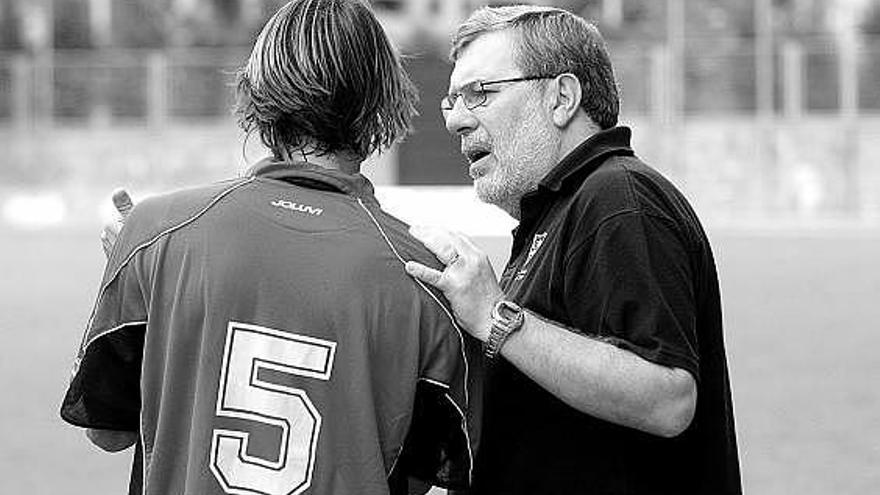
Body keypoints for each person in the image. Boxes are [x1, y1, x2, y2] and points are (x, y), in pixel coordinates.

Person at [59, 1, 480, 494]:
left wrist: (143, 266)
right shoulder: (428, 280)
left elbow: (106, 431)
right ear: (380, 100)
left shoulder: (154, 233)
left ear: (261, 92)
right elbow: (418, 478)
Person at [405, 5, 741, 494]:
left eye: (479, 94)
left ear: (561, 97)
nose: (456, 120)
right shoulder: (558, 212)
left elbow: (667, 397)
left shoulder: (619, 198)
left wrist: (494, 316)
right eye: (451, 100)